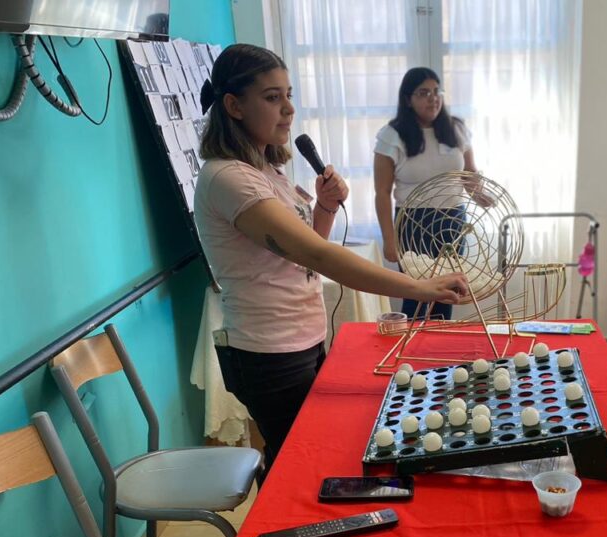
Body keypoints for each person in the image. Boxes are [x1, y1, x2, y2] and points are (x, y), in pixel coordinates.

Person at [194, 45, 468, 480]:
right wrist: (418, 286)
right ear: (233, 105)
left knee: (305, 457)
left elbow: (301, 255)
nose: (289, 109)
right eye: (272, 97)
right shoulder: (229, 178)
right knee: (297, 467)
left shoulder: (266, 170)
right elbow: (319, 255)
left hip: (300, 339)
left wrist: (323, 207)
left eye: (289, 94)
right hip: (268, 352)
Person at [374, 67, 479, 320]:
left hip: (452, 222)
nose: (433, 98)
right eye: (423, 93)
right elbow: (382, 192)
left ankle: (440, 343)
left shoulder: (456, 129)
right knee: (415, 295)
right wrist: (389, 240)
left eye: (436, 91)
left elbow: (470, 174)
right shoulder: (392, 135)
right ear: (408, 99)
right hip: (413, 223)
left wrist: (482, 195)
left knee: (448, 293)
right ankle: (410, 343)